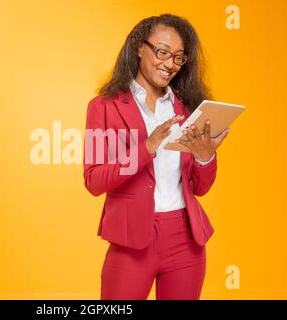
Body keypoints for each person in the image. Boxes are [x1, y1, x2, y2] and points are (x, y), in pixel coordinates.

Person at [83, 14, 231, 300]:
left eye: (178, 57)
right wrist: (146, 148)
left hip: (186, 241)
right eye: (162, 52)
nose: (169, 64)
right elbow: (93, 181)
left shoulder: (189, 110)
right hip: (131, 241)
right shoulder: (103, 107)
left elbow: (200, 188)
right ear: (140, 47)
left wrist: (204, 158)